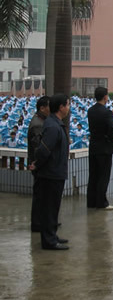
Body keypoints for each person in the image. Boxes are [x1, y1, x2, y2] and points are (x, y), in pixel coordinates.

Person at [31, 94, 71, 250]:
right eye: (67, 105)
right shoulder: (53, 126)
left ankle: (52, 235)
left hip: (55, 172)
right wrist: (37, 164)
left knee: (53, 207)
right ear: (61, 107)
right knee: (48, 208)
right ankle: (49, 241)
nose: (68, 108)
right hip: (50, 173)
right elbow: (44, 150)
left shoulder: (55, 124)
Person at [87, 87, 113, 211]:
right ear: (105, 97)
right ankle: (101, 202)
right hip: (104, 148)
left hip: (93, 145)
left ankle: (91, 201)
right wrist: (109, 139)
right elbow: (112, 127)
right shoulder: (107, 113)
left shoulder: (91, 110)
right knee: (103, 176)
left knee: (93, 174)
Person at [27, 95, 49, 233]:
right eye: (49, 106)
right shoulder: (37, 124)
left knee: (44, 195)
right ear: (42, 108)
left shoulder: (42, 121)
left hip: (40, 164)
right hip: (39, 165)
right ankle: (37, 224)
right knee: (40, 195)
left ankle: (45, 221)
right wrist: (38, 163)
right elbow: (37, 148)